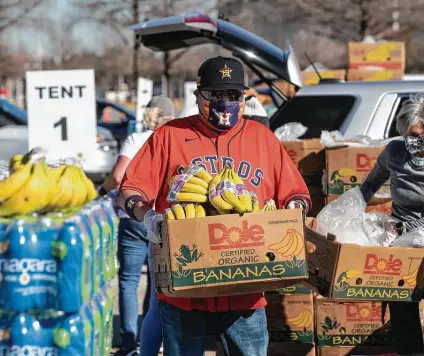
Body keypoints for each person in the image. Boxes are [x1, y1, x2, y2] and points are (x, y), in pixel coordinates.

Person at [116, 56, 311, 356]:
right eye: (215, 95)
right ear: (197, 96)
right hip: (185, 291)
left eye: (233, 95)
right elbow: (129, 190)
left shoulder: (262, 139)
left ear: (244, 98)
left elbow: (296, 192)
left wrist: (293, 213)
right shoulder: (170, 136)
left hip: (245, 290)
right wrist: (148, 216)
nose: (224, 103)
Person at [100, 96, 175, 356]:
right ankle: (151, 339)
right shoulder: (173, 140)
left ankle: (129, 342)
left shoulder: (136, 139)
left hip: (133, 215)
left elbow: (119, 176)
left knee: (129, 280)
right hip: (160, 216)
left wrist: (102, 190)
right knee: (157, 285)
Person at [360, 93, 424, 355]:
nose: (417, 142)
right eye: (411, 136)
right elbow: (370, 184)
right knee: (401, 303)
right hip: (403, 239)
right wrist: (348, 213)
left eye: (422, 136)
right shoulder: (394, 152)